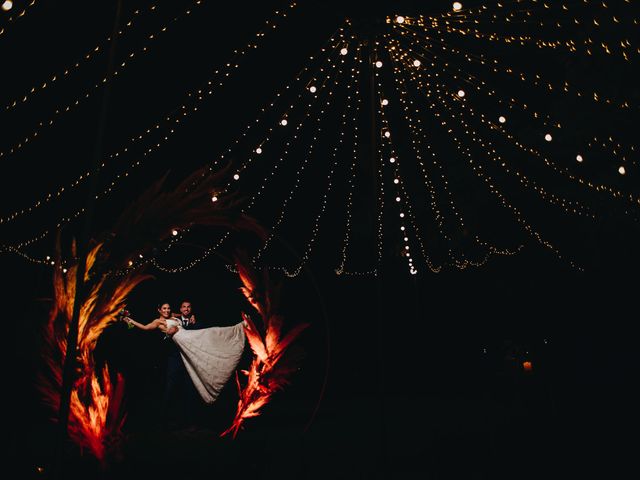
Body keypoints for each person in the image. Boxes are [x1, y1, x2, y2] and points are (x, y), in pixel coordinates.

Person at [123, 302, 246, 408]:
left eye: (168, 308)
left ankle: (239, 328)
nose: (167, 310)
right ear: (159, 310)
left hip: (188, 338)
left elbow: (182, 314)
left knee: (211, 333)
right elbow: (144, 327)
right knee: (173, 386)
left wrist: (191, 316)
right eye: (164, 308)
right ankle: (167, 415)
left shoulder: (173, 316)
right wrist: (130, 320)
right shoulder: (158, 321)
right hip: (182, 343)